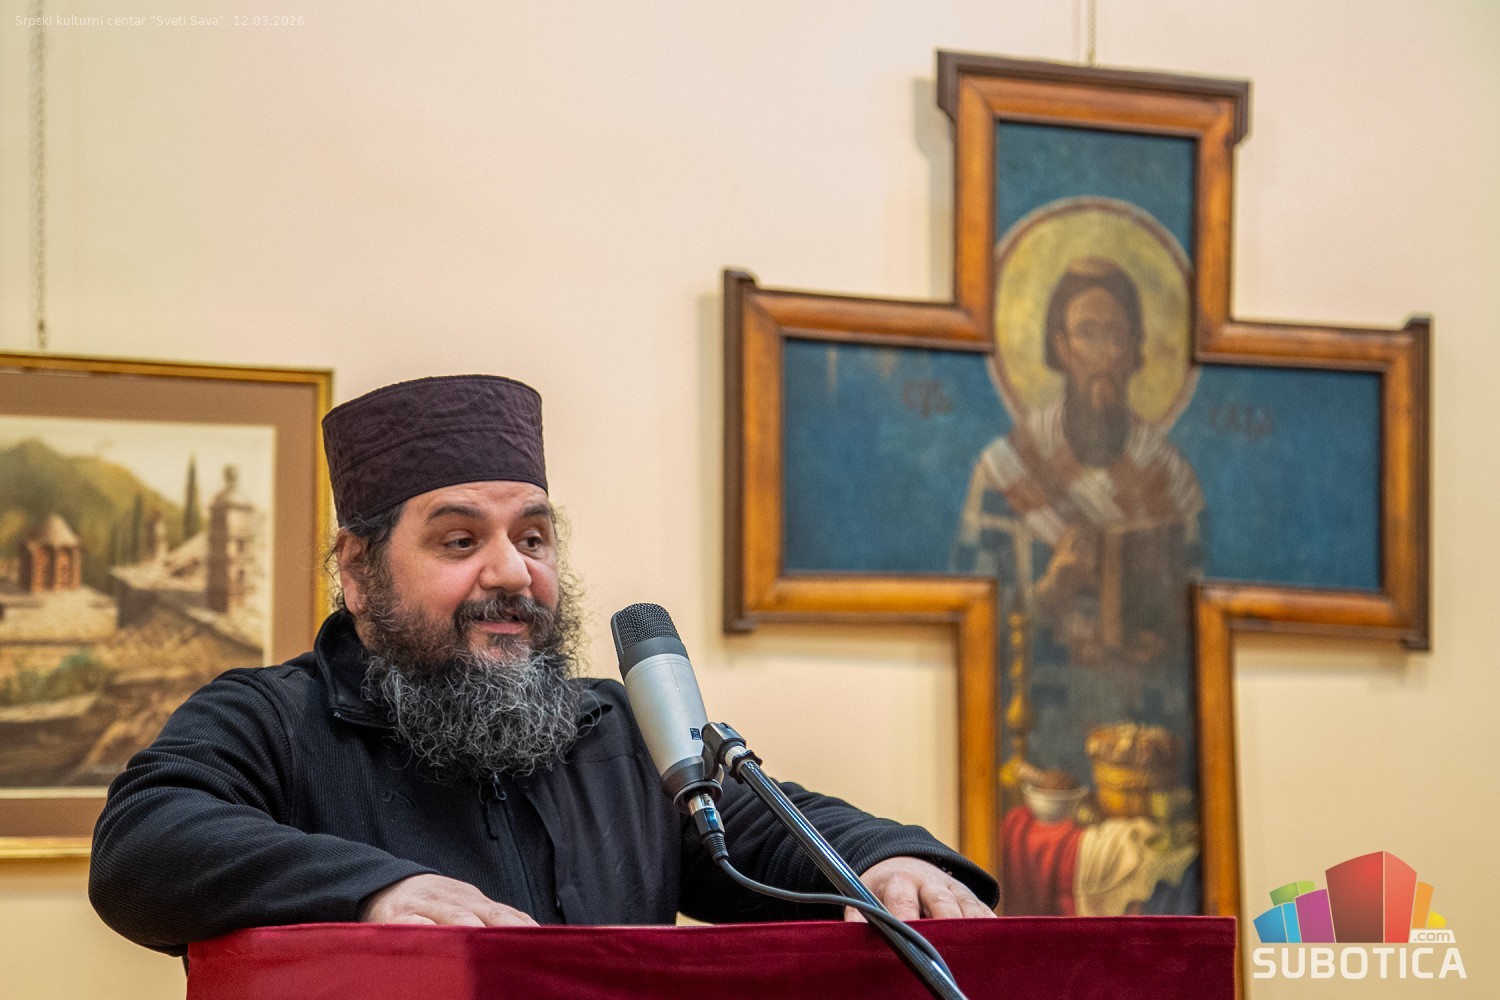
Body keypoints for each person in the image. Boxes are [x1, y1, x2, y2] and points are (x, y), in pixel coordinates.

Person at [90, 374, 998, 955]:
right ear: (359, 572)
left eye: (533, 538)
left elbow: (769, 830)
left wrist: (886, 861)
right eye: (460, 541)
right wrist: (377, 890)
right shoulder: (272, 720)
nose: (512, 573)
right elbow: (144, 843)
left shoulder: (619, 731)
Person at [952, 257, 1204, 916]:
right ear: (1060, 347)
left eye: (1116, 334)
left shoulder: (1170, 478)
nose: (1103, 354)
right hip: (1040, 735)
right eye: (1086, 333)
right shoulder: (1005, 472)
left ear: (1136, 350)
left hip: (1144, 740)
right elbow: (968, 623)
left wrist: (1158, 628)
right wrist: (1047, 594)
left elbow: (1202, 627)